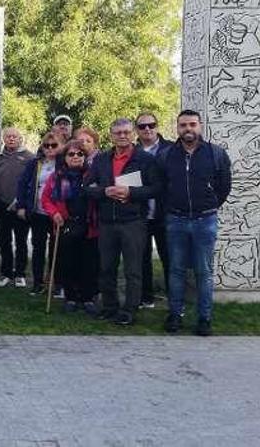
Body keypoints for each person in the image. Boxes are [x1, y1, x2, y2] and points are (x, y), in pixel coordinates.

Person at [159, 110, 231, 336]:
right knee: (176, 270)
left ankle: (204, 318)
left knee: (204, 271)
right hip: (176, 219)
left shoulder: (216, 154)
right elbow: (161, 187)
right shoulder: (166, 155)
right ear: (177, 128)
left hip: (205, 220)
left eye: (192, 124)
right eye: (183, 125)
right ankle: (175, 315)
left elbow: (224, 187)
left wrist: (209, 204)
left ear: (200, 126)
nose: (188, 129)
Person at [85, 118, 159, 326]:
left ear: (133, 133)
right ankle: (109, 307)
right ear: (111, 135)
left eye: (126, 132)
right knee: (106, 267)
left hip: (133, 221)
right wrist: (104, 191)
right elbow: (87, 187)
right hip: (107, 221)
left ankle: (129, 310)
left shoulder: (145, 159)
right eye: (118, 133)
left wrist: (131, 193)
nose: (122, 136)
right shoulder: (101, 160)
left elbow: (156, 188)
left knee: (133, 269)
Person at [41, 140, 100, 315]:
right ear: (65, 157)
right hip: (66, 224)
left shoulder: (92, 175)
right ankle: (71, 298)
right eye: (71, 154)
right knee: (67, 263)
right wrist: (54, 213)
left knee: (89, 263)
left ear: (85, 156)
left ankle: (88, 298)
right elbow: (46, 200)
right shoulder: (57, 177)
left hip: (89, 225)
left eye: (79, 154)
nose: (75, 157)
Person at [16, 131, 65, 295]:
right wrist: (21, 205)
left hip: (57, 212)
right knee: (38, 247)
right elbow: (22, 184)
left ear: (61, 146)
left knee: (55, 248)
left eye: (54, 145)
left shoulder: (64, 163)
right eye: (46, 145)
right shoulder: (35, 163)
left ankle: (55, 282)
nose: (50, 148)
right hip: (37, 210)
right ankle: (37, 282)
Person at [135, 112, 173, 309]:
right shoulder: (132, 151)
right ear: (137, 130)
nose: (147, 129)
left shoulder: (171, 149)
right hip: (140, 213)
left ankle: (174, 300)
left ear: (157, 126)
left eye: (151, 124)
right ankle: (146, 297)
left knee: (169, 257)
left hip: (164, 213)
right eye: (142, 126)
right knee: (142, 257)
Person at [0, 127, 33, 288]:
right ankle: (6, 273)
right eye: (8, 137)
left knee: (21, 241)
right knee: (4, 240)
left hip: (20, 206)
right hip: (2, 205)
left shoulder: (29, 157)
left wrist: (24, 202)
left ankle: (20, 274)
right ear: (4, 139)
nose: (11, 139)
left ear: (19, 138)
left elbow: (31, 184)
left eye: (14, 136)